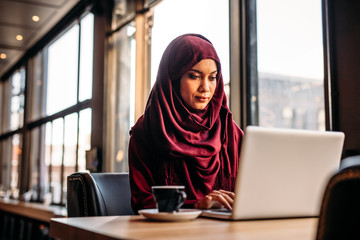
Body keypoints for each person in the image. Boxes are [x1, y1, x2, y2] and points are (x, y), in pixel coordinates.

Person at [128, 33, 244, 213]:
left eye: (212, 77)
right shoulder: (148, 130)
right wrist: (197, 206)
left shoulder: (229, 130)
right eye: (194, 76)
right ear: (173, 79)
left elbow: (253, 191)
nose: (205, 87)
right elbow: (143, 203)